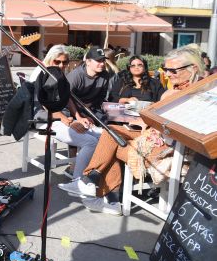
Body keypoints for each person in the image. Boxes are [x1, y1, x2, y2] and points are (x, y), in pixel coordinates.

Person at [73, 45, 205, 215]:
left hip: (163, 148)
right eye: (166, 70)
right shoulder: (171, 91)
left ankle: (102, 190)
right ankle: (93, 183)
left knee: (110, 142)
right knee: (111, 130)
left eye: (173, 70)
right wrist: (144, 121)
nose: (168, 74)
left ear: (192, 68)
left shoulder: (196, 95)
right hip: (149, 133)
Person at [56, 46, 110, 194]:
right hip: (67, 114)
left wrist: (90, 115)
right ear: (88, 61)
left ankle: (92, 174)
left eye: (103, 60)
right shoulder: (76, 76)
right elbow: (66, 98)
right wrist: (78, 117)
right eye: (98, 61)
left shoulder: (105, 76)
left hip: (88, 112)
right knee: (90, 140)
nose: (102, 64)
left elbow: (98, 99)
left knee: (106, 137)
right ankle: (78, 178)